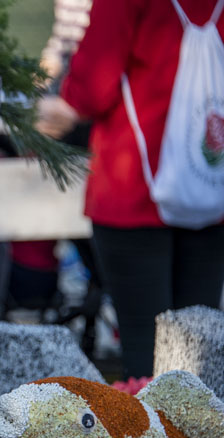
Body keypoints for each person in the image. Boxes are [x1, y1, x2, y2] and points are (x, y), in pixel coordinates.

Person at [37, 0, 224, 379]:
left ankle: (157, 437)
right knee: (199, 356)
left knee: (147, 354)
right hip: (210, 188)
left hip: (133, 191)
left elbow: (91, 90)